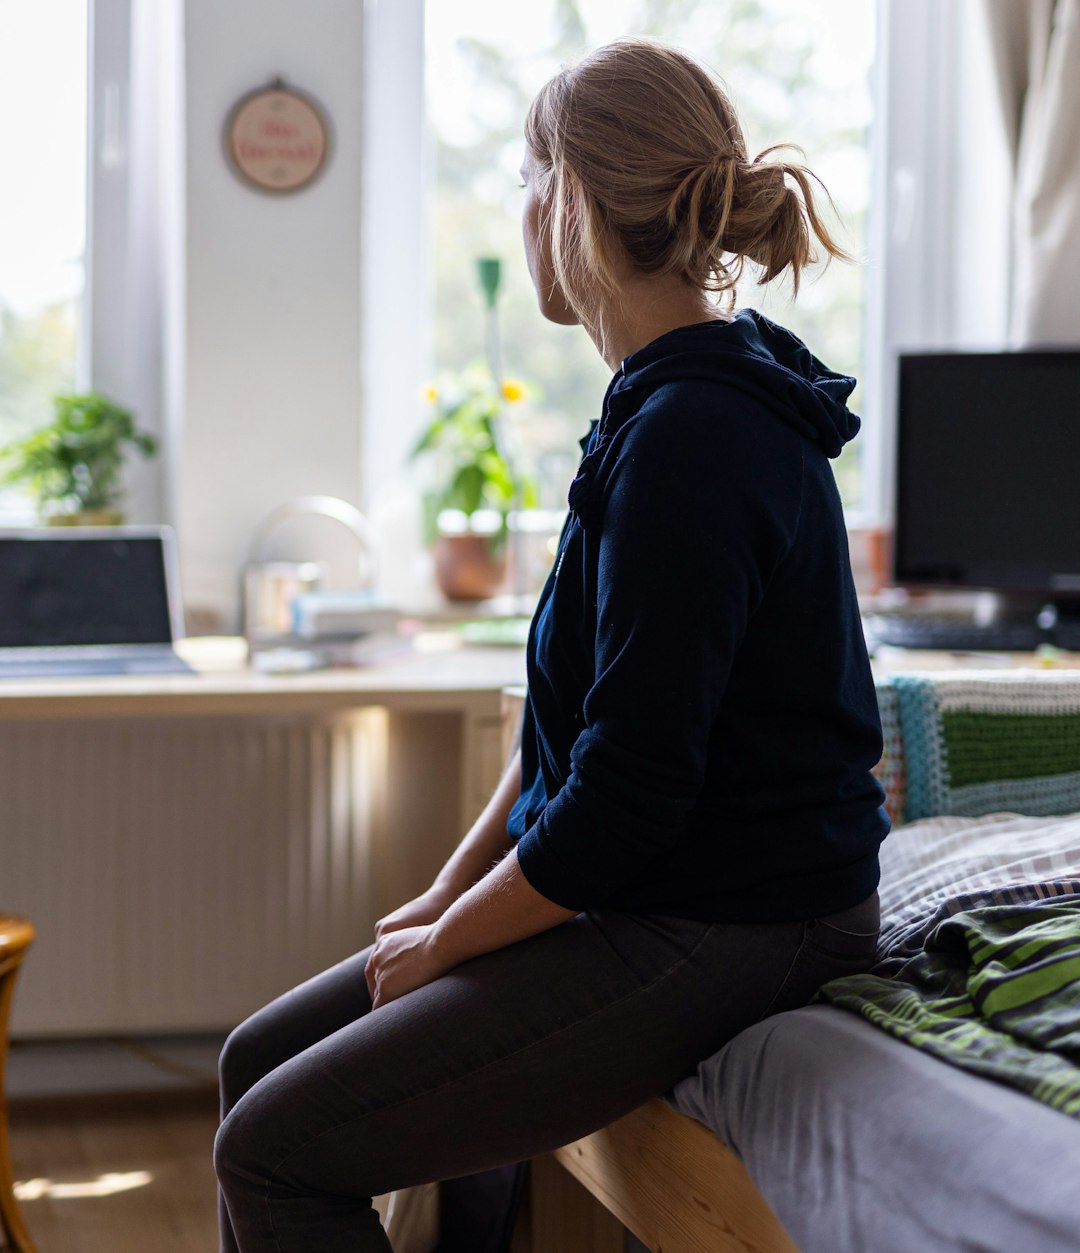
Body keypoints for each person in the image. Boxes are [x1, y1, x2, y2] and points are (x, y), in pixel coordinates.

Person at [214, 37, 889, 1252]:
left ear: (568, 200)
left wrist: (452, 942)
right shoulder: (656, 406)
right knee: (253, 1058)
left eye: (528, 178)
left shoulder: (696, 436)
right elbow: (568, 740)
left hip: (740, 917)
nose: (519, 208)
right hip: (664, 886)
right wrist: (437, 905)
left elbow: (624, 799)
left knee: (271, 1151)